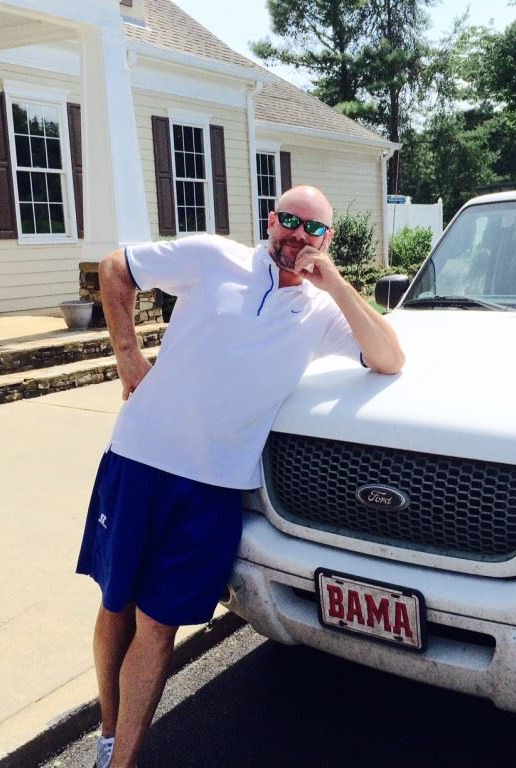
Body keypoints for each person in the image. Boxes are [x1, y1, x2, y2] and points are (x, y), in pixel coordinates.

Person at [75, 185, 404, 768]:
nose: (296, 235)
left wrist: (337, 285)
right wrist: (127, 353)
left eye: (313, 230)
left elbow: (388, 357)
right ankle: (105, 733)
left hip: (215, 489)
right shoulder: (213, 257)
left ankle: (118, 762)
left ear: (327, 241)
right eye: (288, 221)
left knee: (159, 625)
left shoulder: (322, 312)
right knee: (115, 605)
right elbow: (115, 267)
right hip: (141, 458)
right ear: (270, 220)